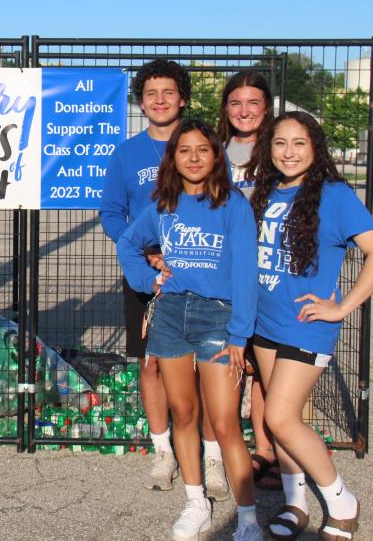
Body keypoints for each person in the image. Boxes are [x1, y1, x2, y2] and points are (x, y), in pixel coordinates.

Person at [249, 112, 373, 541]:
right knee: (280, 422)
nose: (289, 152)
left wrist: (341, 307)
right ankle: (296, 504)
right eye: (280, 143)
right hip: (265, 324)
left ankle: (341, 500)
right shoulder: (266, 192)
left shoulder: (334, 195)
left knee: (279, 417)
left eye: (299, 143)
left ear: (315, 147)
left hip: (305, 326)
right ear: (268, 148)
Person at [117, 119, 261, 541]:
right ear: (173, 159)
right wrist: (149, 282)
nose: (194, 158)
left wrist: (240, 334)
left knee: (224, 421)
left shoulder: (233, 204)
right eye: (185, 151)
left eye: (203, 150)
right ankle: (196, 503)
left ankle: (248, 519)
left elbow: (244, 274)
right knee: (183, 412)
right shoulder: (164, 204)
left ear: (216, 156)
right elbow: (129, 243)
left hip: (218, 317)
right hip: (171, 316)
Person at [100, 58, 228, 499]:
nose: (159, 100)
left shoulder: (203, 147)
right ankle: (163, 451)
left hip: (203, 276)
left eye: (168, 92)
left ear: (183, 98)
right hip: (149, 278)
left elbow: (221, 204)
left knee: (207, 369)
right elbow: (112, 213)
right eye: (150, 93)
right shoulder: (126, 153)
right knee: (150, 364)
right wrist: (146, 252)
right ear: (140, 101)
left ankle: (212, 456)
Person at [216, 70, 281, 489]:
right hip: (223, 273)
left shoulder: (281, 149)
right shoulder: (216, 151)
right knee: (227, 362)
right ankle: (225, 448)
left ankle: (267, 450)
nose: (244, 110)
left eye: (253, 102)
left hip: (268, 273)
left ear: (267, 108)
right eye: (236, 102)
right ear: (226, 108)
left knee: (263, 367)